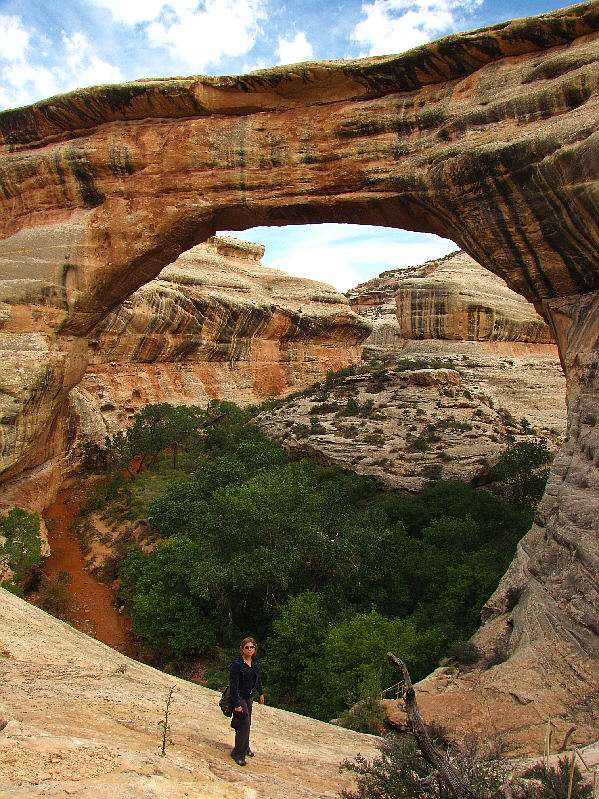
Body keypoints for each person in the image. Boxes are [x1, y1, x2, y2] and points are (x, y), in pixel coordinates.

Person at [228, 636, 264, 766]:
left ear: (255, 649)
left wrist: (261, 693)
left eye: (251, 647)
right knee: (244, 722)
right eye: (247, 648)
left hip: (249, 696)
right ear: (242, 649)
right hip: (239, 696)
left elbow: (257, 677)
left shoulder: (254, 661)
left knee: (246, 724)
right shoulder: (237, 664)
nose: (249, 650)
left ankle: (244, 747)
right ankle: (238, 754)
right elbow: (233, 685)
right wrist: (237, 704)